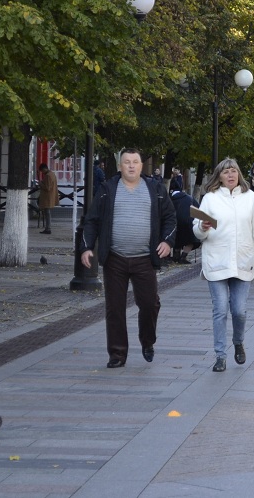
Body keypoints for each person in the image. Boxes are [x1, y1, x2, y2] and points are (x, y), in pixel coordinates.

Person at [80, 148, 176, 369]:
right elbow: (92, 220)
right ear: (119, 166)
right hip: (115, 258)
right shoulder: (107, 189)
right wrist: (86, 248)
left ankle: (147, 341)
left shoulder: (155, 189)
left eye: (135, 162)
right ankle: (117, 354)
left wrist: (167, 242)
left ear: (141, 166)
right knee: (115, 308)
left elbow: (170, 217)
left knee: (150, 304)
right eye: (127, 162)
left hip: (144, 259)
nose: (131, 166)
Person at [193, 158, 254, 372]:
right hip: (216, 261)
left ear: (239, 175)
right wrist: (202, 227)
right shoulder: (210, 198)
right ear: (219, 176)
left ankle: (238, 342)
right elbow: (197, 230)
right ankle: (220, 355)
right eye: (226, 172)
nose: (230, 175)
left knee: (239, 311)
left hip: (243, 261)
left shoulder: (250, 198)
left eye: (234, 171)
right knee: (220, 309)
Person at [170, 188, 199, 263]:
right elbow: (198, 208)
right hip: (189, 221)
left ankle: (176, 256)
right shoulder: (189, 198)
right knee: (191, 240)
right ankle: (183, 257)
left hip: (175, 221)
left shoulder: (170, 200)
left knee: (177, 239)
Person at [37, 163, 59, 234]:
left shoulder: (48, 176)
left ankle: (48, 228)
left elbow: (47, 187)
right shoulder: (52, 174)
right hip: (50, 196)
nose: (42, 172)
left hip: (47, 197)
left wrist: (40, 183)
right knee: (47, 212)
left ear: (44, 169)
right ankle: (47, 228)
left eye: (42, 171)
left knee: (47, 212)